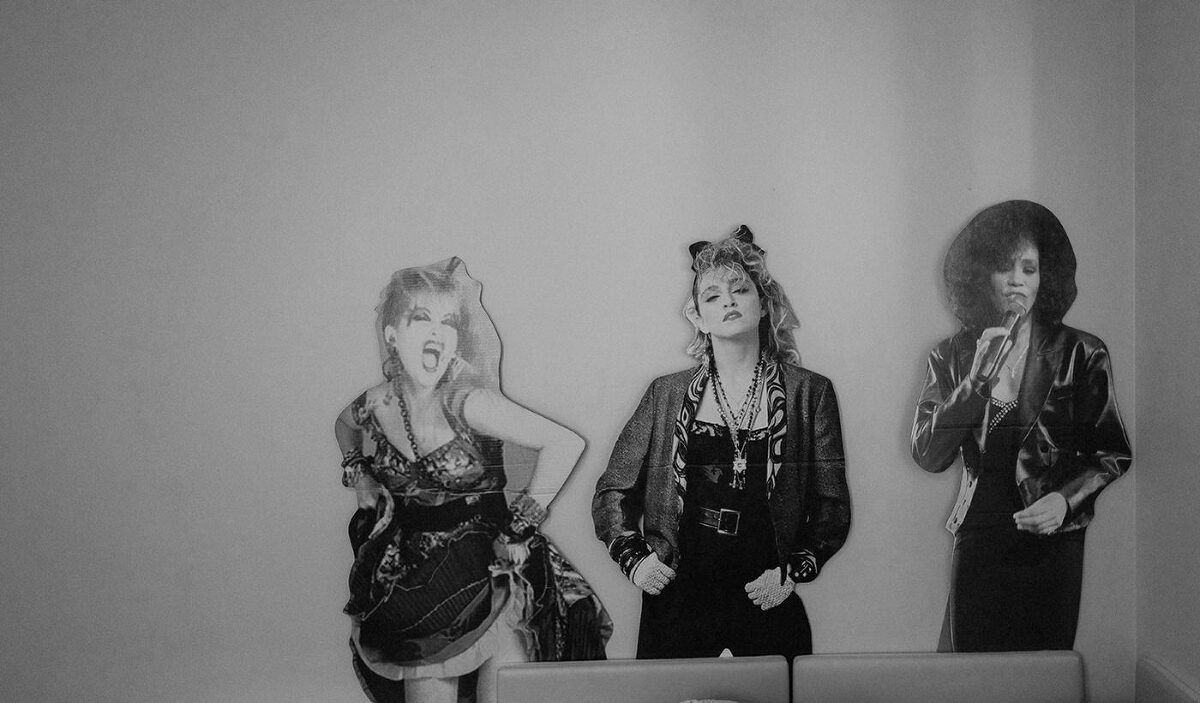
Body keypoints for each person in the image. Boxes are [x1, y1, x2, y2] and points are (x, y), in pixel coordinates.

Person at [334, 257, 610, 703]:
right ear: (392, 335)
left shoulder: (469, 402)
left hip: (490, 575)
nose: (437, 333)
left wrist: (518, 528)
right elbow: (343, 425)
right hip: (417, 583)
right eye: (421, 318)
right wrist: (358, 470)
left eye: (448, 322)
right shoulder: (375, 404)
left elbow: (565, 444)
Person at [592, 226, 851, 660]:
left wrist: (791, 572)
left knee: (777, 693)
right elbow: (611, 492)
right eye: (712, 296)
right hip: (679, 595)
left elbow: (832, 505)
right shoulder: (665, 394)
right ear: (697, 317)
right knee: (672, 695)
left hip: (764, 590)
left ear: (764, 305)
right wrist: (636, 560)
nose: (728, 301)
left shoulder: (809, 393)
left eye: (740, 290)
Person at [911, 200, 1132, 652]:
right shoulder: (950, 355)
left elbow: (1112, 452)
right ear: (979, 278)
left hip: (1051, 540)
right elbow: (929, 454)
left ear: (1044, 278)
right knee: (974, 674)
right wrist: (974, 382)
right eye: (1003, 268)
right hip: (979, 535)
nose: (1016, 281)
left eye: (1028, 269)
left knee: (1045, 675)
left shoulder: (1082, 352)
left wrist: (1066, 500)